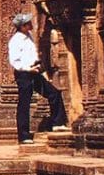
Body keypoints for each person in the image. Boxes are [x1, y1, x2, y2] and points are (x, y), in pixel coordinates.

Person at [8, 12, 67, 144]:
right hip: (24, 74)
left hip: (35, 71)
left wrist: (40, 68)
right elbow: (14, 61)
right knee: (24, 103)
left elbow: (32, 55)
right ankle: (24, 136)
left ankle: (57, 123)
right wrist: (28, 69)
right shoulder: (15, 41)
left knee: (54, 92)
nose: (31, 24)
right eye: (28, 23)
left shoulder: (29, 36)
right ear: (22, 26)